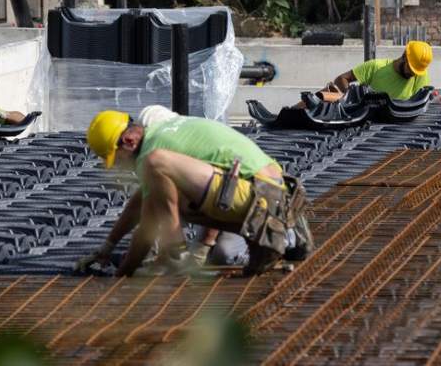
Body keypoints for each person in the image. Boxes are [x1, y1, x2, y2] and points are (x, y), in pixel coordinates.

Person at [75, 106, 312, 277]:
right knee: (160, 193)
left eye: (116, 159)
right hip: (273, 194)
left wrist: (123, 273)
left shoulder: (152, 153)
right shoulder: (166, 131)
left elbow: (148, 226)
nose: (118, 166)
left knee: (157, 168)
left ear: (128, 141)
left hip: (258, 195)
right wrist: (107, 247)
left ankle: (177, 255)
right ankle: (285, 235)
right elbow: (139, 203)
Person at [319, 40, 433, 102]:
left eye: (416, 72)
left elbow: (420, 104)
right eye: (411, 69)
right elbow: (341, 79)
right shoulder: (376, 67)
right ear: (404, 57)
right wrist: (352, 96)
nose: (413, 74)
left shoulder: (420, 76)